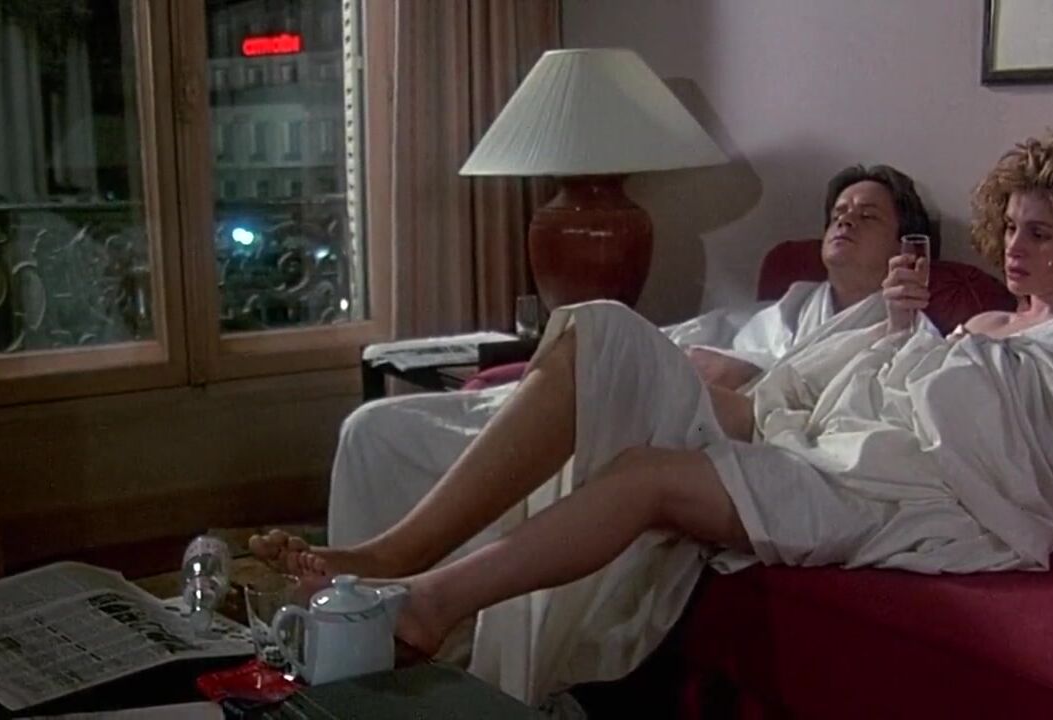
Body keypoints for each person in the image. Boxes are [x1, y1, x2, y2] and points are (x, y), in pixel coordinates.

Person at [253, 136, 1053, 707]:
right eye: (1008, 228)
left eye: (1039, 232)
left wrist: (929, 358)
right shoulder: (984, 321)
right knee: (608, 352)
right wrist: (905, 343)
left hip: (907, 498)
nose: (1011, 247)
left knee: (642, 460)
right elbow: (881, 387)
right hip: (833, 450)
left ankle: (420, 592)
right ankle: (406, 571)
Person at [306, 164, 933, 579]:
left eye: (867, 216)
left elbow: (847, 428)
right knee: (374, 428)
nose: (844, 220)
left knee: (605, 324)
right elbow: (689, 342)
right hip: (652, 398)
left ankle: (390, 564)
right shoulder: (786, 307)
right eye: (838, 211)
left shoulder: (906, 335)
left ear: (907, 247)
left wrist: (742, 376)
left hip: (708, 437)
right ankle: (347, 613)